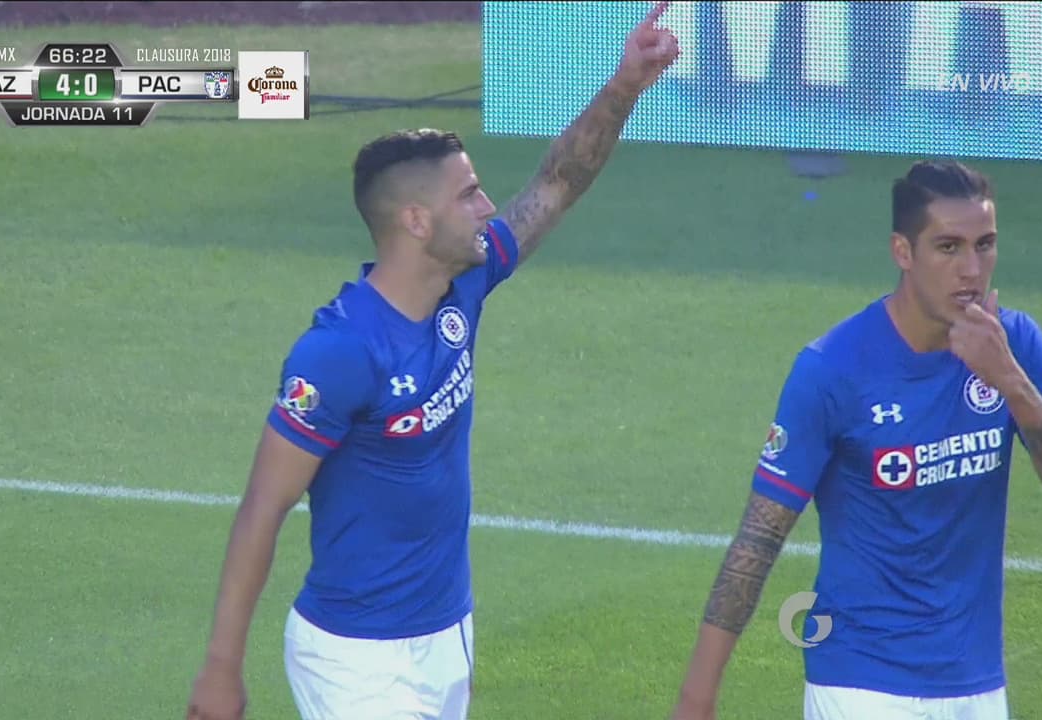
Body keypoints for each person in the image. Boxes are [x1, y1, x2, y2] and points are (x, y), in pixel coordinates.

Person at [185, 4, 681, 719]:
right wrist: (221, 669)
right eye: (469, 195)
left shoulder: (462, 287)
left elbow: (556, 184)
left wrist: (625, 86)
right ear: (416, 221)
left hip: (447, 635)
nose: (488, 207)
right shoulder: (341, 351)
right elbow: (264, 507)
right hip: (355, 657)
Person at [668, 159, 1042, 720]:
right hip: (861, 685)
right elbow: (760, 535)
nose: (971, 269)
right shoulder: (832, 369)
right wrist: (697, 697)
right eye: (948, 247)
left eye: (985, 245)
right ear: (902, 252)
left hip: (978, 686)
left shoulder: (1014, 346)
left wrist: (1009, 380)